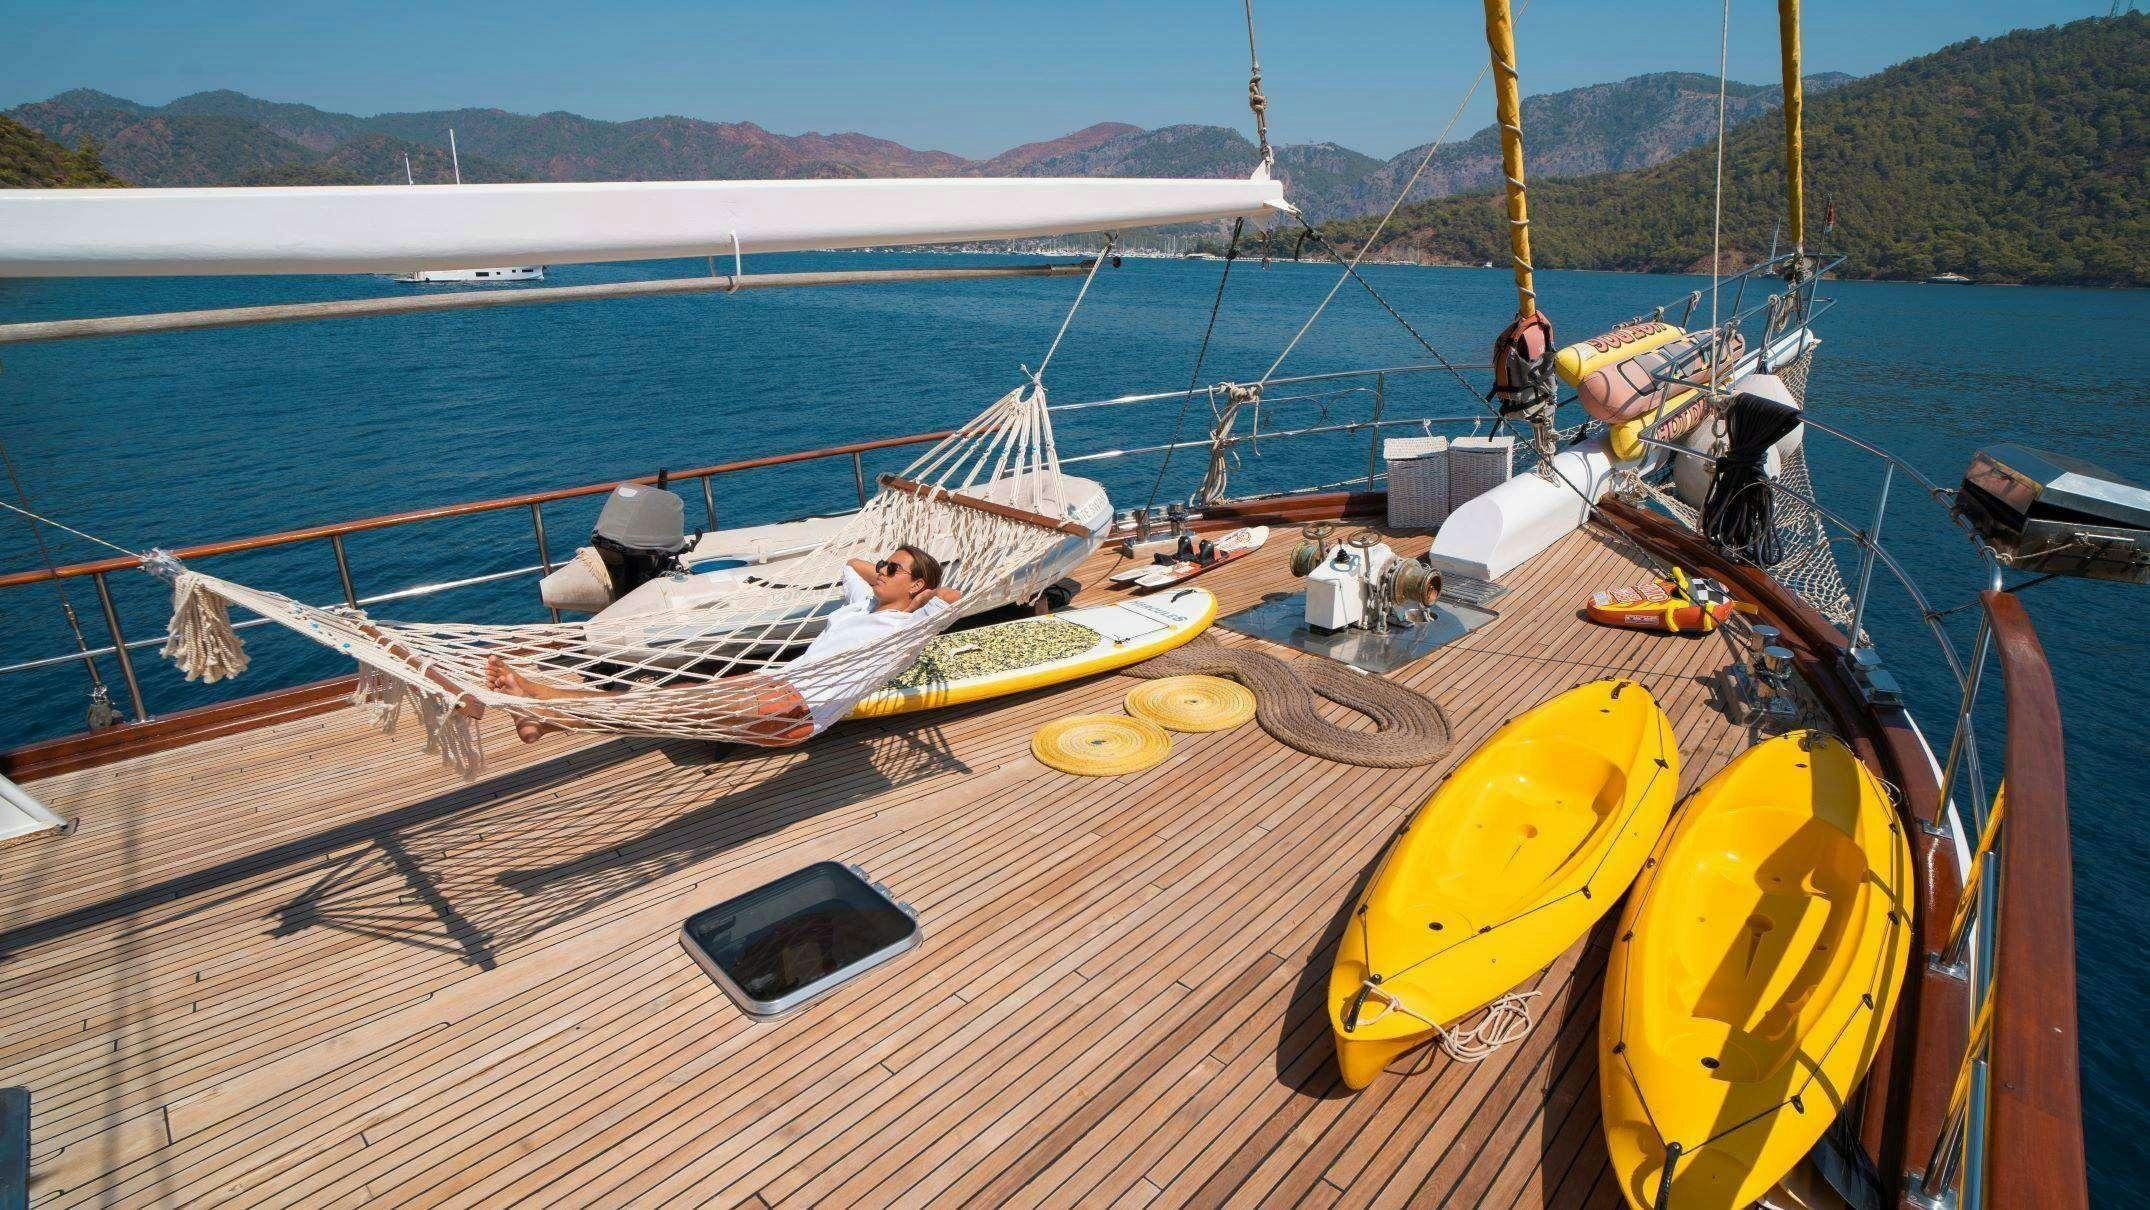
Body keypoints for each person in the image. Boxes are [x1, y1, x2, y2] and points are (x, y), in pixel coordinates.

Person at [485, 544, 959, 745]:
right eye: (885, 564)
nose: (880, 570)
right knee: (657, 703)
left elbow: (955, 596)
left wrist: (924, 594)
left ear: (917, 587)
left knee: (658, 710)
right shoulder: (863, 607)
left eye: (893, 569)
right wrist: (886, 572)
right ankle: (540, 706)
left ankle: (543, 713)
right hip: (776, 684)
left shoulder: (909, 628)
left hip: (797, 707)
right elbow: (853, 565)